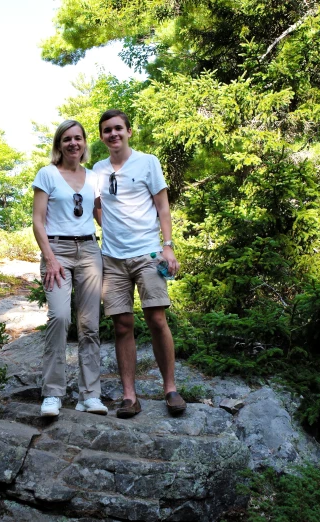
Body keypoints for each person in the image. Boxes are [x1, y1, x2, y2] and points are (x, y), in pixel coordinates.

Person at [93, 109, 186, 418]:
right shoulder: (98, 169)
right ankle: (130, 396)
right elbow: (97, 206)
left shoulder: (148, 162)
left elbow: (163, 207)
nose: (113, 134)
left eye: (118, 128)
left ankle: (170, 388)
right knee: (122, 325)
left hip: (148, 255)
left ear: (129, 131)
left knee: (156, 319)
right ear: (102, 136)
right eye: (107, 130)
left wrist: (168, 246)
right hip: (113, 259)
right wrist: (111, 229)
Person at [32, 120, 107, 417]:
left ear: (85, 143)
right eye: (67, 139)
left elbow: (102, 217)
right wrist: (49, 258)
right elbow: (38, 221)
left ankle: (90, 395)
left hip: (89, 250)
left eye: (78, 138)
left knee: (90, 325)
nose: (73, 143)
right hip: (57, 251)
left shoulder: (94, 177)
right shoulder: (47, 174)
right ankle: (52, 393)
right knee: (60, 318)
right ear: (59, 144)